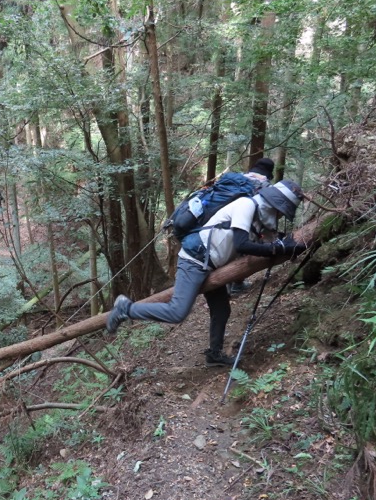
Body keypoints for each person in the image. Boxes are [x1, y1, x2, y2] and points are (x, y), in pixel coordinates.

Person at [106, 180, 307, 367]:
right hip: (195, 259)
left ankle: (214, 354)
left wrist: (285, 246)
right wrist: (278, 248)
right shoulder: (247, 205)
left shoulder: (260, 218)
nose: (280, 216)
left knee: (221, 310)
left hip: (212, 265)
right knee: (177, 312)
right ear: (274, 205)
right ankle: (126, 309)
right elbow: (241, 243)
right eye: (281, 212)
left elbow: (267, 243)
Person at [228, 157, 275, 295]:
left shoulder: (239, 179)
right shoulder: (267, 186)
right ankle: (236, 284)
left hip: (225, 219)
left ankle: (225, 286)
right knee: (242, 249)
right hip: (247, 224)